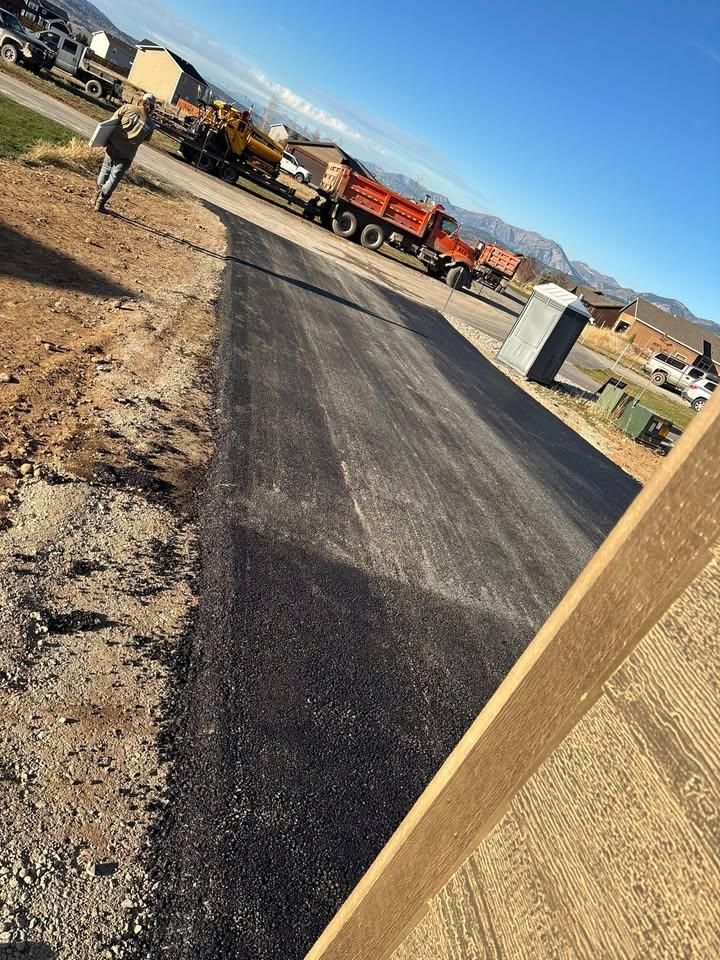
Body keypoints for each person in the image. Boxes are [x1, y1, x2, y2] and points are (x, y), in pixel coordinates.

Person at [94, 93, 156, 212]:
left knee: (105, 169)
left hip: (113, 145)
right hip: (127, 154)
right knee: (114, 177)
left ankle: (96, 195)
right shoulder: (151, 124)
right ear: (152, 107)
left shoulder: (128, 108)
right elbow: (145, 139)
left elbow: (113, 121)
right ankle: (100, 203)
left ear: (140, 100)